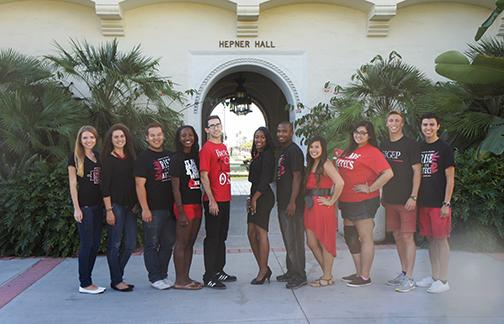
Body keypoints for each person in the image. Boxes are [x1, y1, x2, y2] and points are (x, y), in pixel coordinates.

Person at [335, 121, 393, 287]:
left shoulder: (372, 152)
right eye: (356, 132)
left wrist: (370, 188)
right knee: (350, 235)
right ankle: (359, 272)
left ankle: (365, 276)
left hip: (364, 201)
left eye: (362, 133)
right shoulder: (349, 150)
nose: (358, 135)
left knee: (365, 237)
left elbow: (388, 173)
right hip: (346, 199)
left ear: (369, 135)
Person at [381, 111, 421, 293]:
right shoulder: (384, 144)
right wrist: (382, 193)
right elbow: (382, 172)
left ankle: (410, 278)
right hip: (390, 199)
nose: (394, 123)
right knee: (397, 236)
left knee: (407, 237)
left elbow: (417, 172)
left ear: (402, 123)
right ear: (386, 123)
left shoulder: (411, 144)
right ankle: (404, 273)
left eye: (397, 120)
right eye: (391, 120)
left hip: (407, 201)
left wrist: (413, 196)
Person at [415, 112, 455, 294]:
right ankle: (434, 276)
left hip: (439, 204)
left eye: (432, 125)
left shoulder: (444, 148)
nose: (428, 128)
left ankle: (444, 280)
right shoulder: (420, 147)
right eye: (425, 125)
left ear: (438, 126)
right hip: (424, 202)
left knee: (441, 240)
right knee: (431, 240)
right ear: (421, 127)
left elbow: (450, 178)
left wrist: (446, 203)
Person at [135, 123, 176, 290]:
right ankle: (154, 277)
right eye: (152, 135)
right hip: (153, 209)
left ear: (163, 135)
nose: (156, 138)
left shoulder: (170, 155)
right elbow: (139, 185)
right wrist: (145, 208)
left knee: (167, 244)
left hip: (170, 208)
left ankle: (163, 275)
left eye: (159, 134)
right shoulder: (143, 158)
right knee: (151, 244)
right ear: (147, 138)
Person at [68, 125, 105, 294]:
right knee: (86, 244)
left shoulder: (97, 156)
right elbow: (73, 184)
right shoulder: (75, 157)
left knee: (95, 244)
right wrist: (77, 208)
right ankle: (84, 283)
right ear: (80, 139)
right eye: (85, 138)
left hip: (98, 207)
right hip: (85, 208)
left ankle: (88, 279)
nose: (88, 140)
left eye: (91, 137)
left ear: (95, 139)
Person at [200, 115, 236, 289]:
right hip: (214, 201)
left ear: (221, 127)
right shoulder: (206, 149)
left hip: (225, 199)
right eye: (211, 126)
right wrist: (212, 200)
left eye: (217, 125)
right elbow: (204, 175)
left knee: (222, 237)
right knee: (212, 238)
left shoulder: (222, 147)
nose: (215, 128)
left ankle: (219, 270)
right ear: (207, 130)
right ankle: (209, 275)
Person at [101, 123, 137, 292]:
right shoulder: (108, 159)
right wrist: (109, 210)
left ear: (126, 138)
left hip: (130, 207)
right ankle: (117, 280)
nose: (119, 139)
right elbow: (105, 187)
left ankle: (117, 276)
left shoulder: (131, 157)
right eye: (116, 137)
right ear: (111, 139)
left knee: (130, 243)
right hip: (114, 206)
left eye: (122, 136)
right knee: (114, 244)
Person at [304, 136, 344, 287]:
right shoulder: (311, 164)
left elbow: (340, 182)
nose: (314, 150)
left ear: (323, 149)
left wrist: (331, 200)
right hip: (309, 207)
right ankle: (327, 274)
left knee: (325, 241)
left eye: (317, 147)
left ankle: (326, 277)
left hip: (322, 206)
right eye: (311, 147)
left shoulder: (326, 164)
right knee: (312, 242)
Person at [171, 125, 203, 290]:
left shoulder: (196, 156)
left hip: (197, 203)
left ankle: (186, 277)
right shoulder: (176, 158)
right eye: (183, 135)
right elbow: (175, 187)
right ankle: (179, 281)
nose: (187, 138)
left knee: (190, 243)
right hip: (185, 206)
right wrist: (181, 211)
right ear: (179, 138)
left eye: (190, 135)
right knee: (181, 243)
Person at [275, 121, 307, 289]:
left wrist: (292, 202)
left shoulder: (294, 151)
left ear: (291, 132)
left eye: (284, 131)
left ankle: (300, 275)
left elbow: (297, 177)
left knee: (295, 240)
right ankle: (291, 271)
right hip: (283, 203)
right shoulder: (284, 150)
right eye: (279, 131)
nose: (281, 134)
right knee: (288, 239)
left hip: (292, 204)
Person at [247, 127, 275, 285]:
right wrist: (250, 197)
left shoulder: (268, 155)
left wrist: (255, 198)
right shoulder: (257, 155)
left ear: (267, 139)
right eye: (256, 137)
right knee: (250, 232)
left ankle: (263, 271)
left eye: (262, 137)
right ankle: (263, 267)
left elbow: (265, 180)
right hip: (255, 195)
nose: (258, 140)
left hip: (263, 197)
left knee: (260, 232)